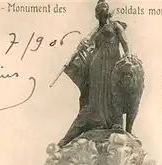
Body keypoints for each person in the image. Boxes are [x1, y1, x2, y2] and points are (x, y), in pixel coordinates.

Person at [58, 0, 135, 147]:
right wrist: (82, 44)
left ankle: (114, 122)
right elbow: (87, 41)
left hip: (112, 63)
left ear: (107, 11)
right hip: (97, 66)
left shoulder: (115, 26)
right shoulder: (96, 31)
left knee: (113, 91)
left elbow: (125, 42)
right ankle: (99, 120)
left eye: (103, 9)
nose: (101, 13)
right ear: (97, 14)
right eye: (99, 11)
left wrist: (128, 54)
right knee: (97, 93)